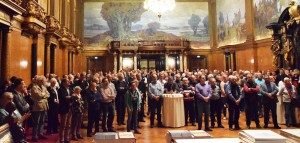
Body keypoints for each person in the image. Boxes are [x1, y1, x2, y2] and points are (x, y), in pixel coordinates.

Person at [31, 75, 50, 142]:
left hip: (44, 106)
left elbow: (48, 94)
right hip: (37, 107)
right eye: (44, 81)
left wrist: (43, 95)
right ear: (40, 81)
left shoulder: (43, 87)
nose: (45, 82)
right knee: (37, 122)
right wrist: (44, 95)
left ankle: (40, 134)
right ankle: (34, 136)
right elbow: (38, 95)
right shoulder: (34, 87)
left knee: (42, 121)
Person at [58, 78, 73, 143]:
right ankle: (62, 139)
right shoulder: (60, 90)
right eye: (67, 81)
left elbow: (72, 97)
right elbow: (64, 98)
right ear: (64, 83)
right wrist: (71, 97)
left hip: (70, 108)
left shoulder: (70, 89)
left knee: (68, 124)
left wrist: (70, 97)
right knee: (63, 125)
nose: (69, 82)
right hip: (64, 109)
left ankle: (67, 138)